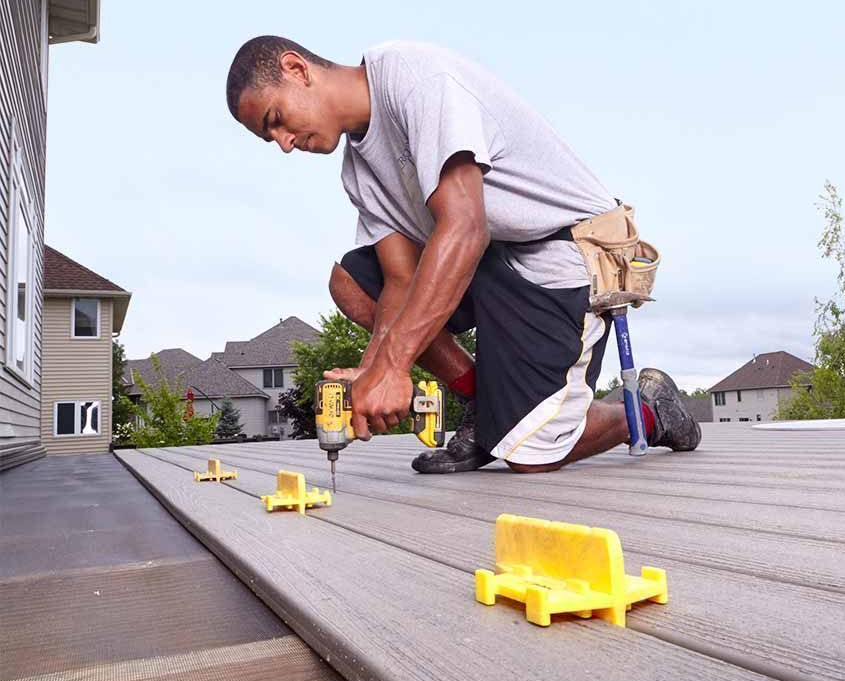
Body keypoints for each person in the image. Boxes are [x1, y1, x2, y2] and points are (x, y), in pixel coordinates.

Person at [225, 37, 701, 473]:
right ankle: (483, 402)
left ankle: (647, 410)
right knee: (352, 282)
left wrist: (394, 365)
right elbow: (398, 280)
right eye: (272, 139)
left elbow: (466, 229)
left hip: (564, 253)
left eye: (276, 120)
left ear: (296, 68)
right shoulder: (358, 171)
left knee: (530, 457)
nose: (284, 144)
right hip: (491, 259)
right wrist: (374, 369)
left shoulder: (416, 80)